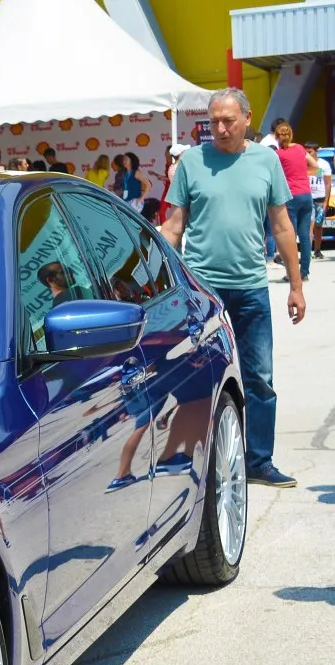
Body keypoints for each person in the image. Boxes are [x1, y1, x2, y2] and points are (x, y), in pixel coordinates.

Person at [161, 87, 305, 488]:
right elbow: (174, 227)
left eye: (228, 121)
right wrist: (155, 283)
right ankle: (193, 461)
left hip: (252, 290)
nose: (220, 129)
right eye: (214, 122)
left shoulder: (266, 161)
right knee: (195, 376)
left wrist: (295, 285)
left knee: (259, 378)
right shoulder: (192, 161)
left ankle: (258, 461)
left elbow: (282, 226)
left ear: (247, 118)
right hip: (202, 292)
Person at [272, 122, 318, 281]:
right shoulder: (299, 148)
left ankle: (292, 274)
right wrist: (302, 173)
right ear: (291, 135)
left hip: (290, 196)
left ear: (277, 137)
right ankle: (304, 272)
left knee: (289, 235)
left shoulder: (278, 155)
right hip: (306, 194)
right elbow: (315, 165)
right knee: (305, 235)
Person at [308, 144, 331, 260]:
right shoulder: (304, 162)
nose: (308, 154)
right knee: (309, 225)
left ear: (316, 151)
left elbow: (327, 183)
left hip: (320, 198)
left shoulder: (324, 164)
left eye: (310, 151)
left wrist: (326, 200)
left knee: (318, 225)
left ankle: (317, 250)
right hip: (308, 198)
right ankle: (308, 251)